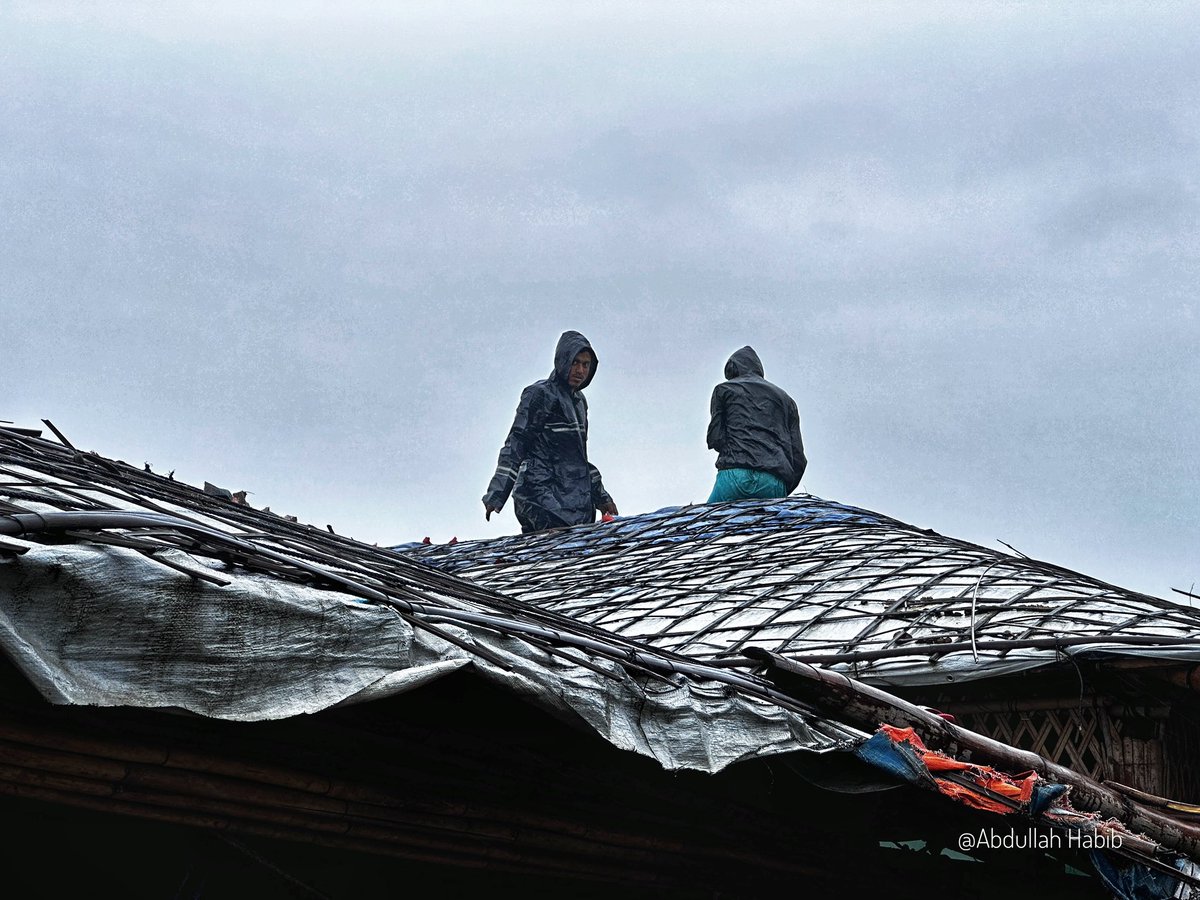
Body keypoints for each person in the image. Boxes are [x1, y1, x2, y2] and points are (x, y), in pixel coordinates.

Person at [483, 330, 618, 533]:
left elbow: (579, 458)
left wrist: (602, 497)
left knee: (575, 554)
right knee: (550, 550)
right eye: (575, 362)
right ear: (563, 360)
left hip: (575, 500)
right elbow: (516, 443)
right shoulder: (540, 394)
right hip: (540, 495)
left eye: (585, 364)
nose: (580, 370)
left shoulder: (580, 403)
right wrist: (497, 492)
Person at [706, 346, 806, 503]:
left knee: (709, 523)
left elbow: (715, 439)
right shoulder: (788, 401)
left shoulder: (724, 390)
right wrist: (781, 488)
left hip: (734, 476)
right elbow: (799, 459)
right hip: (773, 481)